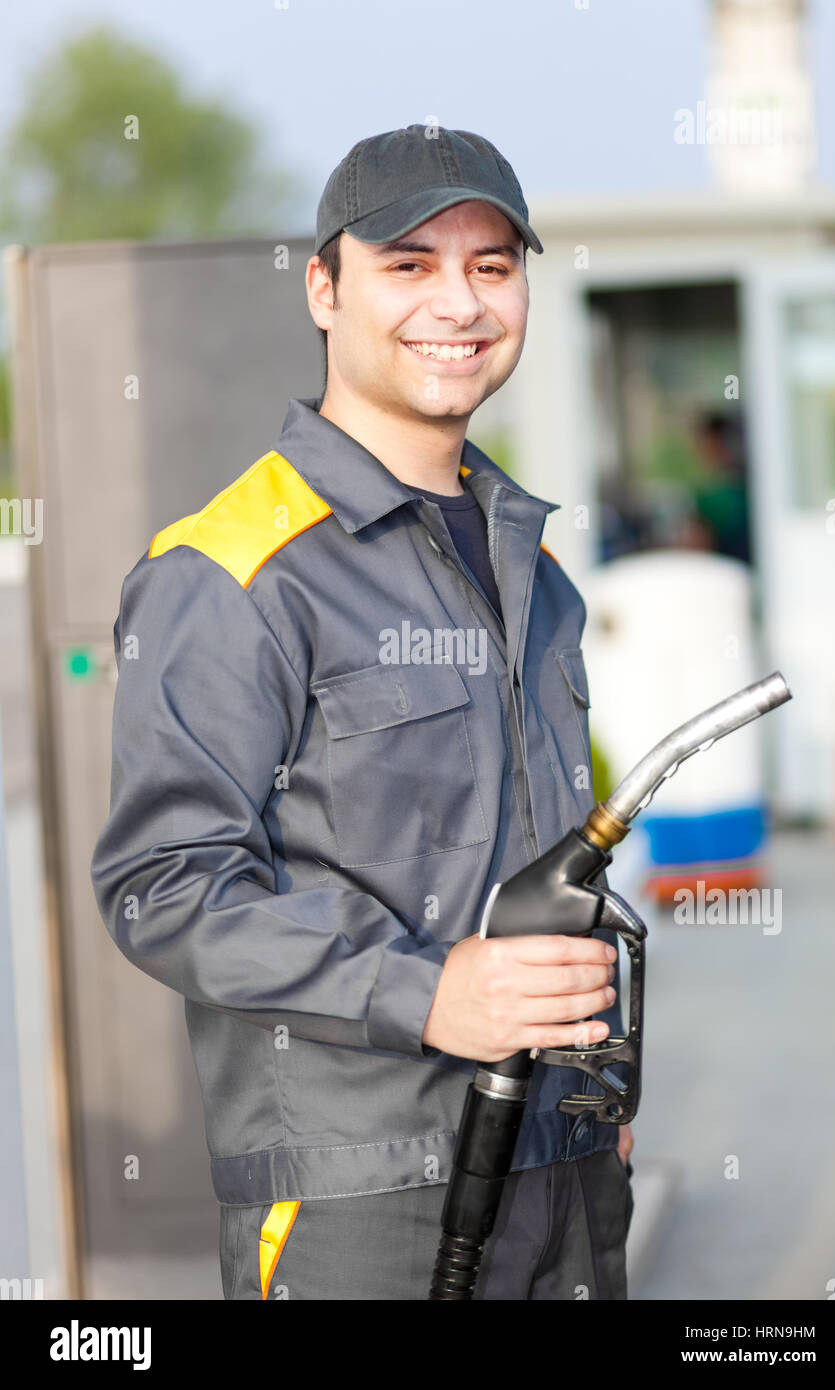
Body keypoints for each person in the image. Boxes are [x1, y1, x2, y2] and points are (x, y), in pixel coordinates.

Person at [91, 123, 634, 1301]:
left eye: (491, 266)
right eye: (409, 264)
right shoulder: (231, 570)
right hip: (361, 1206)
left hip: (569, 1173)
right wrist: (429, 992)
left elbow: (543, 860)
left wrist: (599, 1092)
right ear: (324, 290)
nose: (459, 301)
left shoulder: (531, 570)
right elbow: (162, 884)